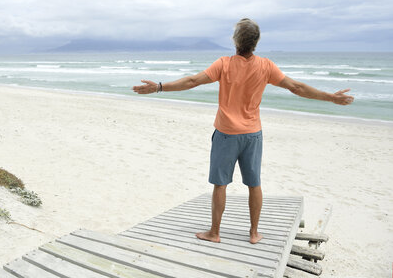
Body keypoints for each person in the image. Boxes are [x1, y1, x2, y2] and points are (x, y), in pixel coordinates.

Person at [132, 18, 354, 244]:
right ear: (256, 43)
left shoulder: (224, 64)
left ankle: (215, 233)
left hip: (226, 133)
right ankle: (254, 232)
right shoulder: (266, 66)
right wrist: (330, 98)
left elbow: (191, 82)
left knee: (221, 184)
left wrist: (159, 87)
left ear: (235, 41)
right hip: (252, 134)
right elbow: (296, 87)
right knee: (254, 184)